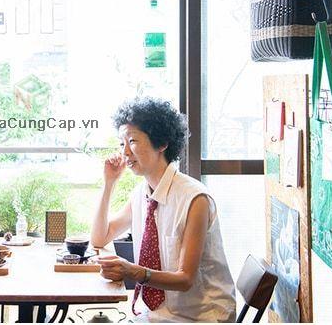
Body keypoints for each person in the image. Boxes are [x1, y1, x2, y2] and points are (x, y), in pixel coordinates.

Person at [91, 97, 236, 322]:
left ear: (162, 143)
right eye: (121, 143)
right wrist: (109, 183)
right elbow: (100, 238)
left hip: (199, 317)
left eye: (133, 141)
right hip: (155, 314)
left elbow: (185, 279)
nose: (125, 152)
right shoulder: (142, 193)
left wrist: (133, 271)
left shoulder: (195, 199)